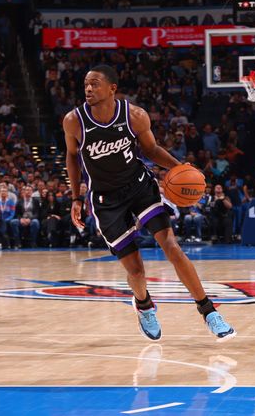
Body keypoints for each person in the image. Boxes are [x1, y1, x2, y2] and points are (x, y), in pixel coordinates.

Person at [62, 65, 234, 342]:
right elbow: (72, 157)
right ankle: (144, 305)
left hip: (140, 187)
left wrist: (180, 168)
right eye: (86, 85)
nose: (89, 89)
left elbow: (151, 150)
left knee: (172, 247)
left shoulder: (134, 116)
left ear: (112, 88)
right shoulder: (74, 121)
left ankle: (209, 311)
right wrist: (75, 197)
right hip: (106, 201)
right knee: (136, 270)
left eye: (94, 84)